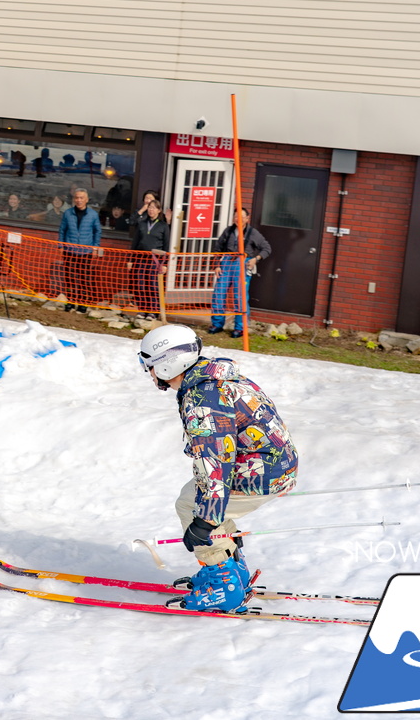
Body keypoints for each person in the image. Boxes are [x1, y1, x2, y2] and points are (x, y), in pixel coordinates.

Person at [137, 324, 299, 612]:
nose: (148, 373)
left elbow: (216, 462)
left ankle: (223, 584)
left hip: (259, 471)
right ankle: (232, 570)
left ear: (167, 364)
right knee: (195, 499)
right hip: (270, 464)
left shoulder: (203, 399)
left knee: (193, 508)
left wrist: (207, 520)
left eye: (149, 365)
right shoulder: (215, 378)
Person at [208, 207, 272, 338]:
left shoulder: (253, 233)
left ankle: (240, 327)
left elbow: (266, 248)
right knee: (219, 294)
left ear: (247, 218)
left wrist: (256, 259)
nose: (239, 219)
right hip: (226, 263)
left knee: (240, 297)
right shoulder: (228, 231)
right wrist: (216, 265)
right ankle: (217, 324)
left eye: (242, 216)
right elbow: (217, 249)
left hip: (243, 264)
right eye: (236, 216)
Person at [58, 188, 100, 313]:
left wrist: (95, 247)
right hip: (69, 250)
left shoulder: (93, 215)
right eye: (77, 197)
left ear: (86, 200)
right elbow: (62, 230)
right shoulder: (67, 213)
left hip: (86, 251)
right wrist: (60, 245)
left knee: (83, 278)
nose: (79, 200)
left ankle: (82, 303)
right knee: (69, 277)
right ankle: (70, 301)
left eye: (82, 198)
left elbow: (97, 231)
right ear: (73, 199)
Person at [128, 196, 169, 318]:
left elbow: (166, 245)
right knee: (140, 284)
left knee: (152, 285)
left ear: (159, 210)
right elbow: (135, 243)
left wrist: (165, 263)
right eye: (150, 207)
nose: (151, 210)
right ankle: (142, 309)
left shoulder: (163, 226)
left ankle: (153, 311)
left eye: (154, 208)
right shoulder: (142, 223)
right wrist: (130, 260)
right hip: (141, 258)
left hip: (155, 260)